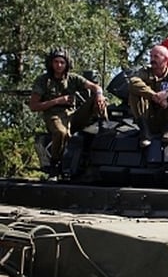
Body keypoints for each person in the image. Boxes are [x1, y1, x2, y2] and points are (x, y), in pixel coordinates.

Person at [29, 49, 108, 180]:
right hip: (54, 115)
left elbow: (95, 87)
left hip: (73, 115)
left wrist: (99, 95)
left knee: (101, 99)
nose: (59, 65)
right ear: (51, 63)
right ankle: (55, 165)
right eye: (56, 62)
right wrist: (58, 100)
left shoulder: (73, 78)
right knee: (61, 133)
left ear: (67, 64)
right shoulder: (43, 81)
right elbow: (34, 106)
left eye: (62, 62)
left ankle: (105, 124)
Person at [128, 45, 168, 147]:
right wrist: (154, 96)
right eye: (151, 56)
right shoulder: (144, 73)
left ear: (165, 59)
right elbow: (133, 82)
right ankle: (145, 133)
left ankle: (167, 131)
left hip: (166, 116)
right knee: (135, 93)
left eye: (156, 57)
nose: (152, 59)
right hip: (148, 116)